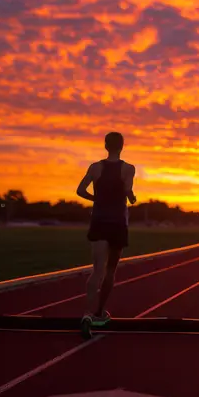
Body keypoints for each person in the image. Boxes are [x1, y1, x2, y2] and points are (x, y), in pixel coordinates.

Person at [76, 132, 136, 325]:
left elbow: (80, 190)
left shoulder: (95, 167)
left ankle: (87, 313)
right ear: (122, 146)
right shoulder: (128, 169)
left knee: (97, 270)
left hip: (99, 220)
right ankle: (100, 313)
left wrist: (96, 199)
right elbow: (127, 190)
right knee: (111, 270)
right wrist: (132, 198)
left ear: (105, 145)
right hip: (117, 222)